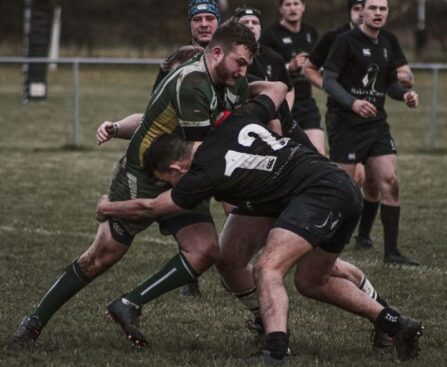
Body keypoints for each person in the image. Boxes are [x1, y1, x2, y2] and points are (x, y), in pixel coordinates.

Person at [96, 86, 422, 364]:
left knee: (267, 268)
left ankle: (275, 351)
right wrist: (242, 89)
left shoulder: (201, 174)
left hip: (318, 193)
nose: (169, 184)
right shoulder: (234, 119)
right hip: (328, 185)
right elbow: (278, 88)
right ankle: (394, 322)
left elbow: (151, 206)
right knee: (312, 281)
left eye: (165, 178)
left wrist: (108, 207)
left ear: (175, 166)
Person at [10, 22, 258, 349]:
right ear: (215, 53)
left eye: (248, 66)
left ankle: (129, 304)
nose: (243, 72)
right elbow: (202, 153)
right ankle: (34, 321)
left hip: (183, 174)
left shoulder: (230, 80)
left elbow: (221, 133)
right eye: (239, 62)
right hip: (142, 176)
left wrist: (272, 88)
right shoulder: (192, 83)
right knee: (101, 258)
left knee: (205, 250)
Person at [100, 0, 223, 298]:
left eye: (210, 18)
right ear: (190, 25)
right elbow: (151, 117)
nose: (204, 24)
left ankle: (232, 268)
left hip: (214, 154)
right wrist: (116, 128)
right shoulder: (176, 62)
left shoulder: (231, 63)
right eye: (197, 19)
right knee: (106, 252)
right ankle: (193, 276)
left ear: (220, 23)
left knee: (230, 214)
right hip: (177, 162)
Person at [303, 0, 415, 253]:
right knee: (343, 188)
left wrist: (405, 94)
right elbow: (329, 81)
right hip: (346, 124)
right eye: (372, 8)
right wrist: (352, 103)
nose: (377, 13)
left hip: (376, 124)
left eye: (382, 9)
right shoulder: (344, 41)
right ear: (361, 11)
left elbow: (390, 84)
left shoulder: (388, 41)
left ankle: (392, 252)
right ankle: (323, 242)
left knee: (389, 181)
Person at [260, 0, 325, 155]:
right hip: (282, 104)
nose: (292, 8)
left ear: (303, 7)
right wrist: (290, 66)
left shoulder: (310, 32)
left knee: (318, 153)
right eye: (288, 4)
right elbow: (265, 71)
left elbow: (318, 65)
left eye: (296, 3)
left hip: (307, 103)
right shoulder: (270, 35)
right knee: (286, 156)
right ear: (281, 9)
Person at [234, 5, 295, 110]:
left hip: (269, 115)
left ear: (261, 28)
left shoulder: (275, 58)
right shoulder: (228, 56)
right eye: (245, 22)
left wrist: (285, 115)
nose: (250, 26)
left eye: (255, 22)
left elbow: (289, 89)